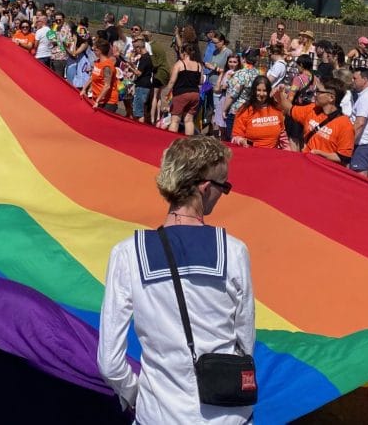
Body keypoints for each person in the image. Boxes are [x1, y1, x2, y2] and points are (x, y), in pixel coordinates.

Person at [98, 135, 255, 424]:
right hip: (227, 416)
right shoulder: (234, 251)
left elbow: (110, 363)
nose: (223, 194)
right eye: (225, 186)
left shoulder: (127, 254)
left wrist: (137, 396)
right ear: (206, 188)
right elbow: (245, 345)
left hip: (158, 416)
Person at [279, 77, 355, 165]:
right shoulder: (312, 109)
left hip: (325, 171)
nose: (315, 94)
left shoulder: (345, 125)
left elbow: (343, 158)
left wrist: (320, 154)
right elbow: (289, 109)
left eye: (319, 91)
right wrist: (280, 92)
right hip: (306, 165)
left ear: (331, 98)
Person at [231, 75, 287, 149]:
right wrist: (240, 140)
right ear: (254, 91)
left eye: (264, 91)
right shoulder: (244, 110)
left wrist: (288, 151)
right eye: (258, 90)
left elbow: (283, 135)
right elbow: (235, 137)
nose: (261, 94)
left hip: (273, 154)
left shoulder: (276, 108)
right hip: (251, 153)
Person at [162, 42, 202, 136]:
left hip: (181, 94)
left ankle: (171, 139)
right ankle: (188, 142)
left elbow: (172, 81)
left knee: (175, 120)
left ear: (184, 53)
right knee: (189, 120)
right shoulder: (198, 65)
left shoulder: (180, 64)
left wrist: (166, 94)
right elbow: (200, 81)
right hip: (195, 94)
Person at [79, 39, 119, 112]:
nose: (93, 51)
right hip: (98, 99)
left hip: (108, 102)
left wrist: (97, 101)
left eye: (95, 49)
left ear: (99, 51)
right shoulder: (97, 62)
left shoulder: (107, 66)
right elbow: (92, 77)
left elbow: (107, 86)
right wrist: (84, 89)